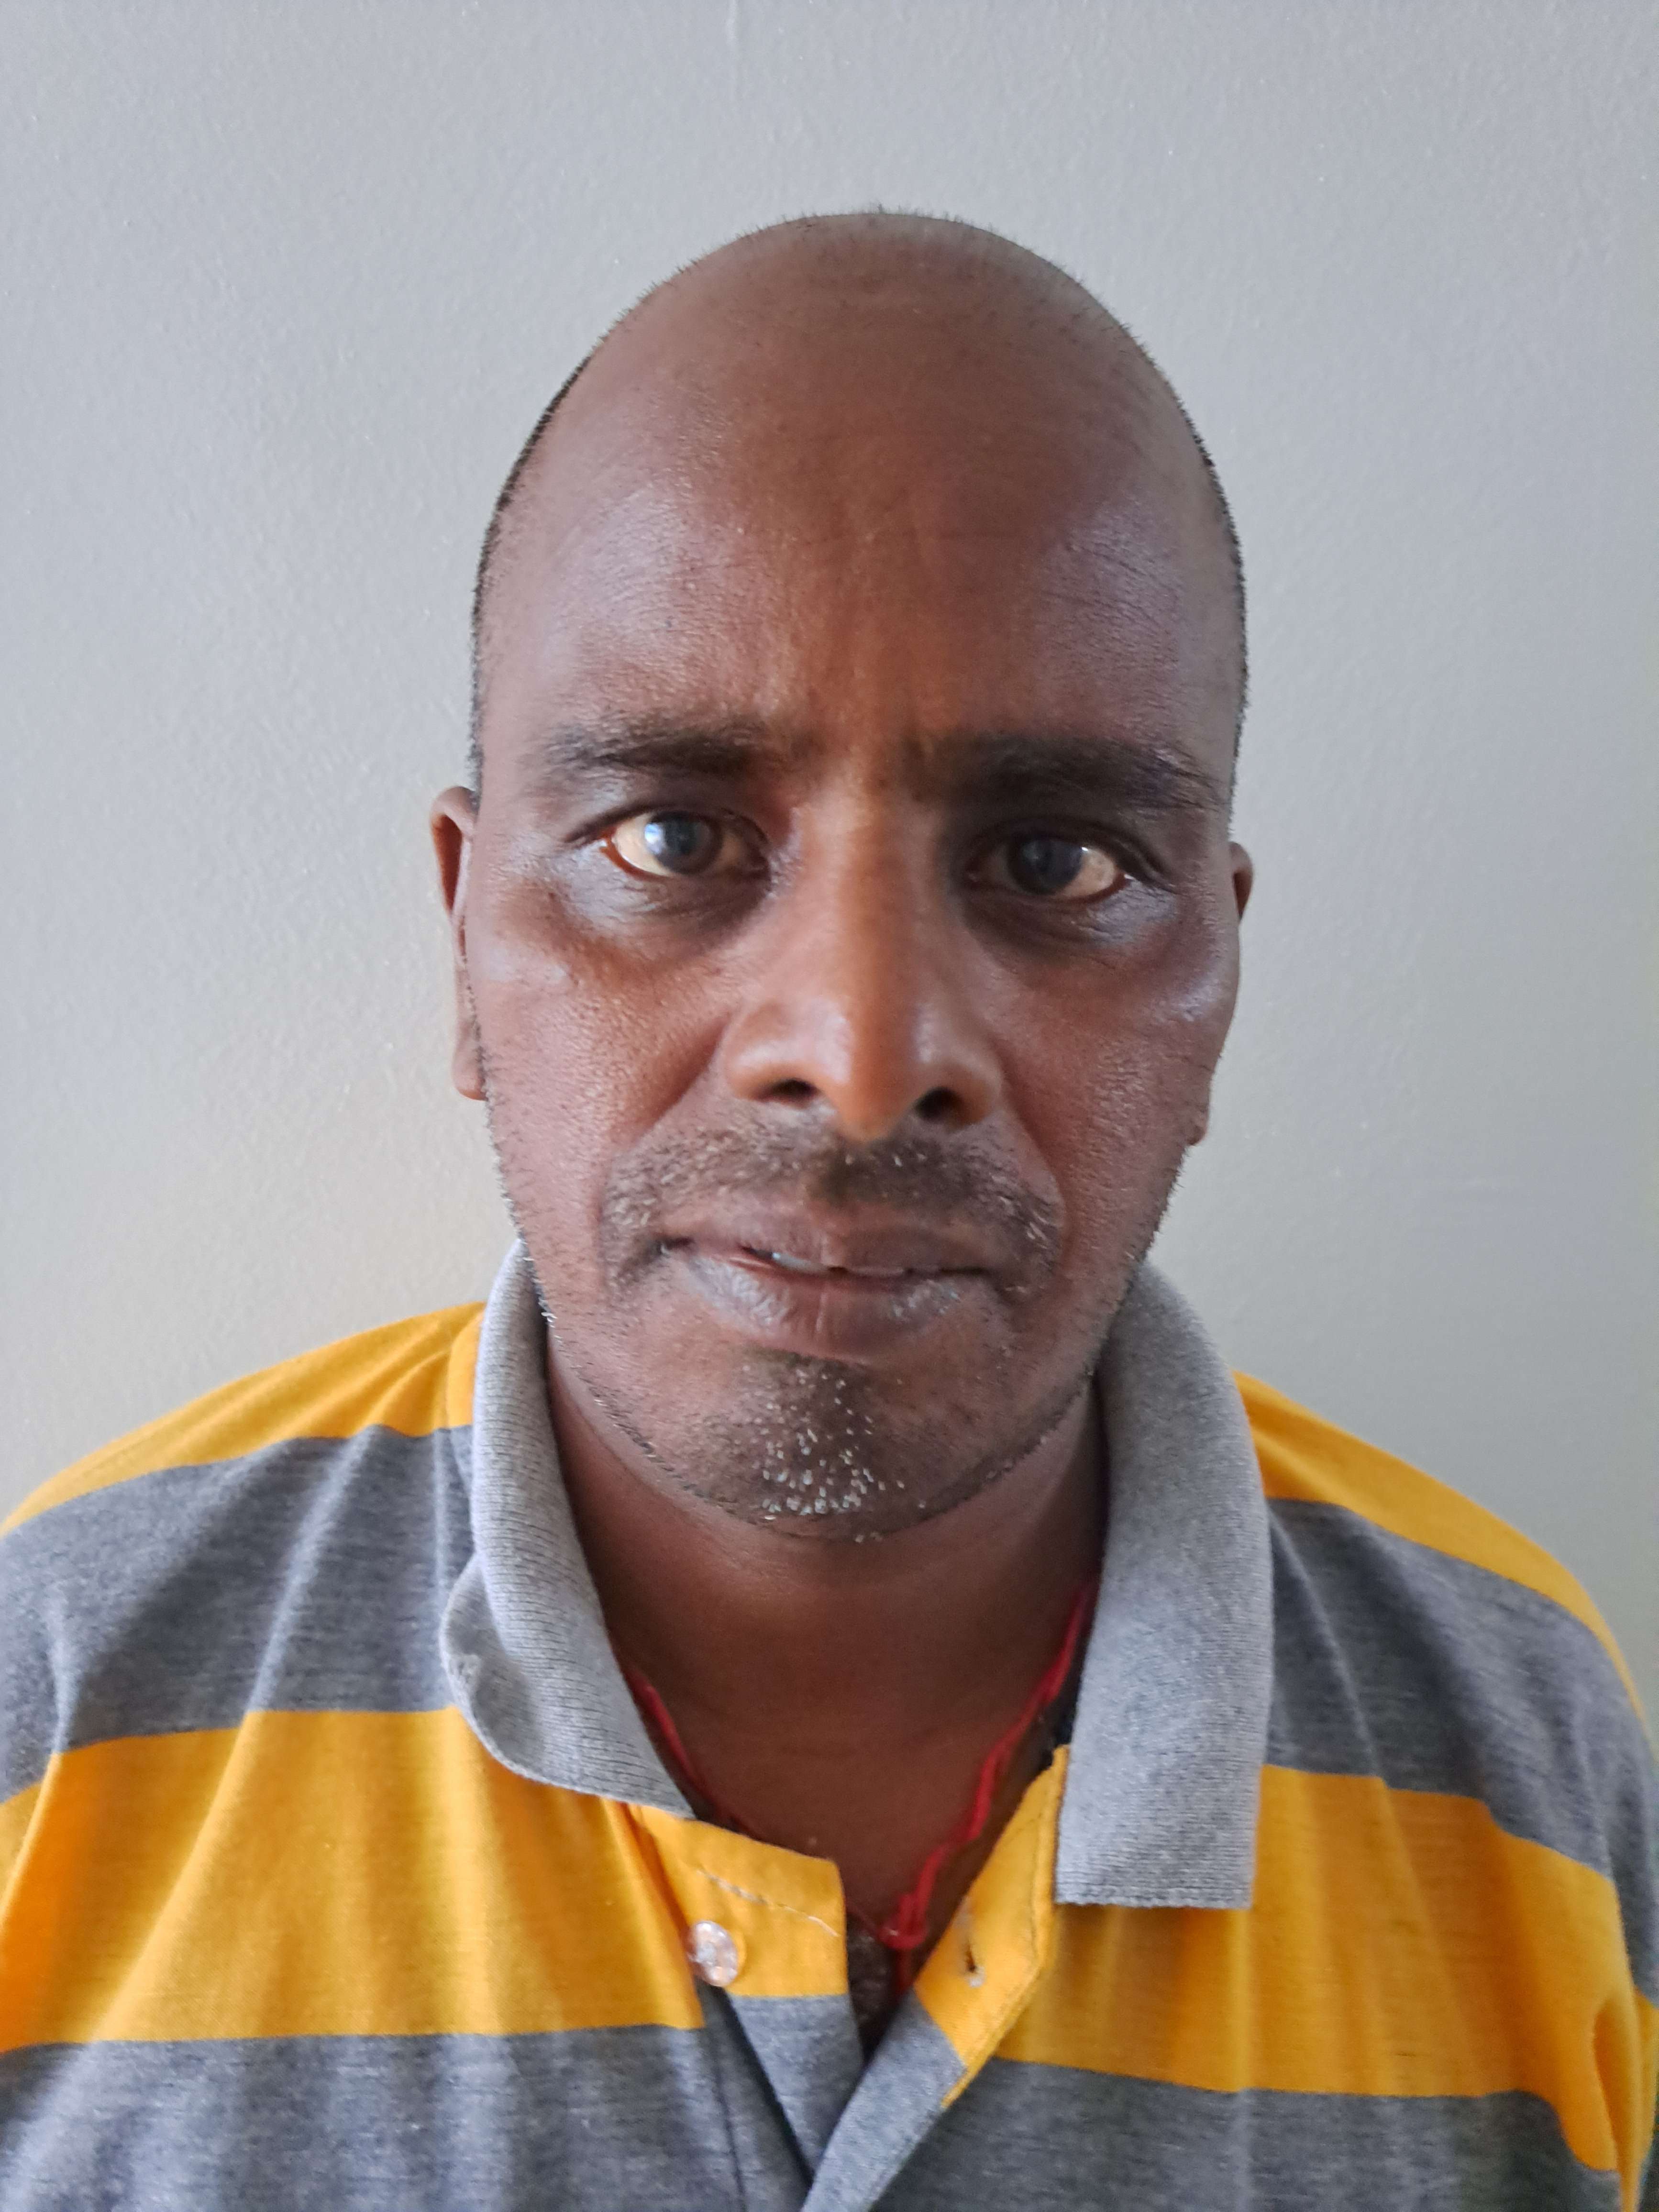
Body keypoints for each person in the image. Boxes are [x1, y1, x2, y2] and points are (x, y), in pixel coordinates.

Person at [1, 213, 1652, 2212]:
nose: (861, 1057)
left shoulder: (1530, 1765)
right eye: (672, 837)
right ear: (465, 942)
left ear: (1217, 980)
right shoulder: (52, 1710)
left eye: (1054, 862)